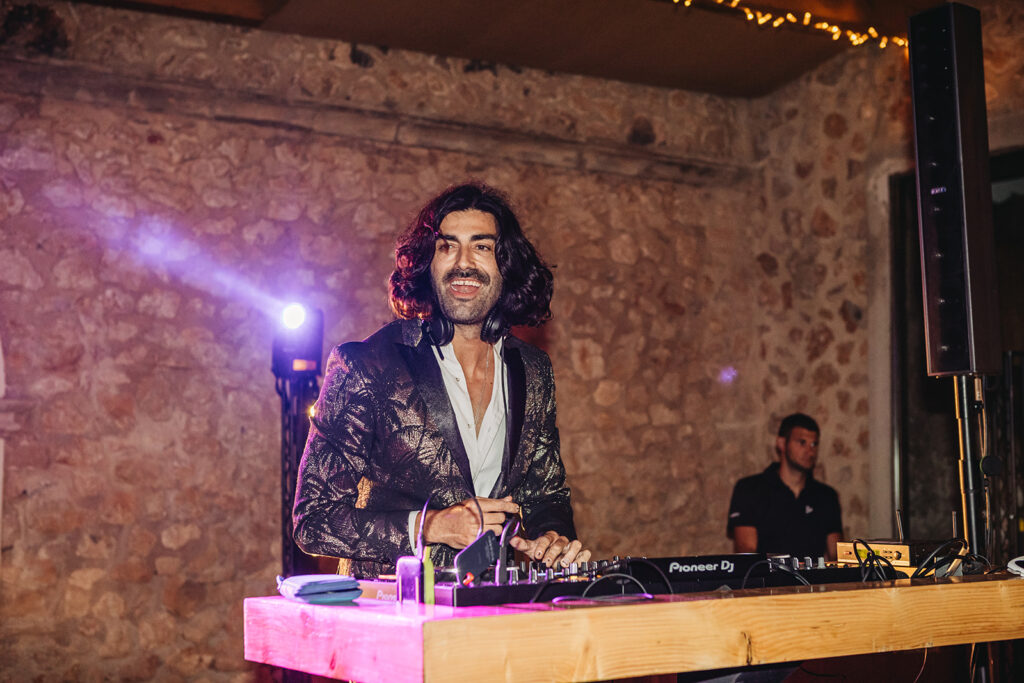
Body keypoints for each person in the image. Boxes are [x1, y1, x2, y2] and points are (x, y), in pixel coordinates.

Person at [292, 182, 589, 578]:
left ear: (506, 264)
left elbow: (546, 495)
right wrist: (430, 526)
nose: (463, 263)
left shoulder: (533, 370)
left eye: (482, 247)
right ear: (426, 265)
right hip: (392, 604)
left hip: (491, 602)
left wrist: (551, 536)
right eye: (447, 247)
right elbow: (313, 520)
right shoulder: (367, 365)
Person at [727, 413, 842, 561]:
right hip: (766, 576)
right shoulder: (750, 490)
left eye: (814, 444)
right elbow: (746, 552)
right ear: (781, 443)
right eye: (802, 442)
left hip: (811, 576)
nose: (810, 451)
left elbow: (837, 556)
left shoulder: (826, 496)